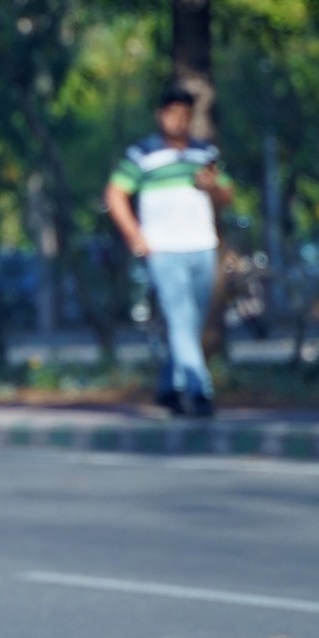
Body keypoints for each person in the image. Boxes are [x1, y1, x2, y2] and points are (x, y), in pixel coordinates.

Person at [105, 87, 235, 418]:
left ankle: (168, 388)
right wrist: (135, 235)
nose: (178, 121)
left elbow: (227, 194)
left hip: (201, 245)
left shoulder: (203, 153)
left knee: (191, 324)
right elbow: (115, 194)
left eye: (184, 115)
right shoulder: (143, 153)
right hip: (163, 248)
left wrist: (213, 187)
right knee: (179, 319)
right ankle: (199, 391)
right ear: (160, 115)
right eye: (172, 113)